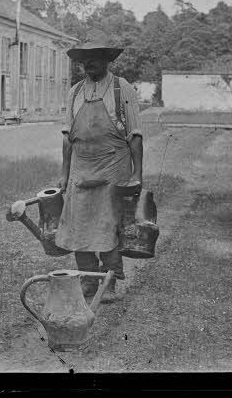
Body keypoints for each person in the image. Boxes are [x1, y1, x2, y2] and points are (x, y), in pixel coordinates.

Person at [56, 41, 144, 302]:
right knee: (77, 226)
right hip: (82, 167)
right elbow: (67, 138)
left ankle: (110, 281)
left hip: (113, 166)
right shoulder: (74, 92)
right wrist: (64, 174)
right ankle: (88, 281)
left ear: (107, 59)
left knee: (109, 225)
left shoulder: (122, 88)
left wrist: (137, 174)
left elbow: (135, 136)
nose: (89, 63)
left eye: (94, 58)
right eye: (84, 59)